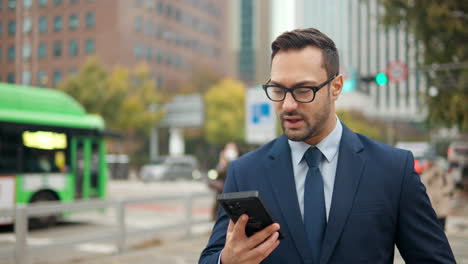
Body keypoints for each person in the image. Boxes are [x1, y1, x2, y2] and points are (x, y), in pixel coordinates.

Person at [199, 28, 455, 263]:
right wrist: (226, 261)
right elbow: (212, 256)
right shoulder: (245, 172)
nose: (287, 105)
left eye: (303, 90)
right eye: (278, 90)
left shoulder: (393, 170)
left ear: (336, 87)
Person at [421, 155, 454, 231]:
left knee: (442, 223)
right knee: (432, 223)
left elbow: (450, 186)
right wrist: (433, 171)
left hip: (442, 200)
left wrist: (441, 192)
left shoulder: (445, 175)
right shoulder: (429, 172)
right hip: (432, 200)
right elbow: (424, 180)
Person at [208, 142, 239, 220]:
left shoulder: (241, 165)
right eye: (228, 149)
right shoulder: (221, 166)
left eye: (233, 149)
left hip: (236, 205)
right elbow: (211, 181)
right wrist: (222, 164)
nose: (230, 151)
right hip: (221, 205)